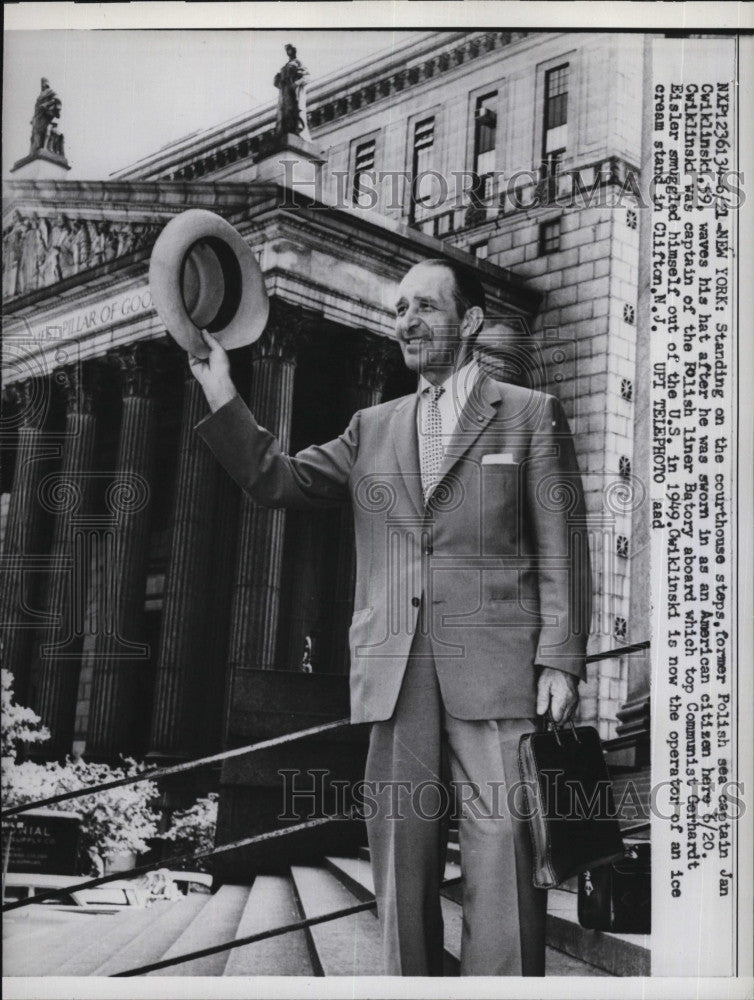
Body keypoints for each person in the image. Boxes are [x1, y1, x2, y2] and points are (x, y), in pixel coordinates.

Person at [189, 258, 592, 976]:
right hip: (395, 663)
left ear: (469, 322)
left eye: (425, 308)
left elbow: (563, 541)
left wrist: (561, 655)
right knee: (401, 850)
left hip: (495, 665)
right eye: (399, 309)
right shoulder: (371, 427)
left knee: (501, 842)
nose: (405, 322)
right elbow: (276, 479)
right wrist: (221, 388)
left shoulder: (530, 414)